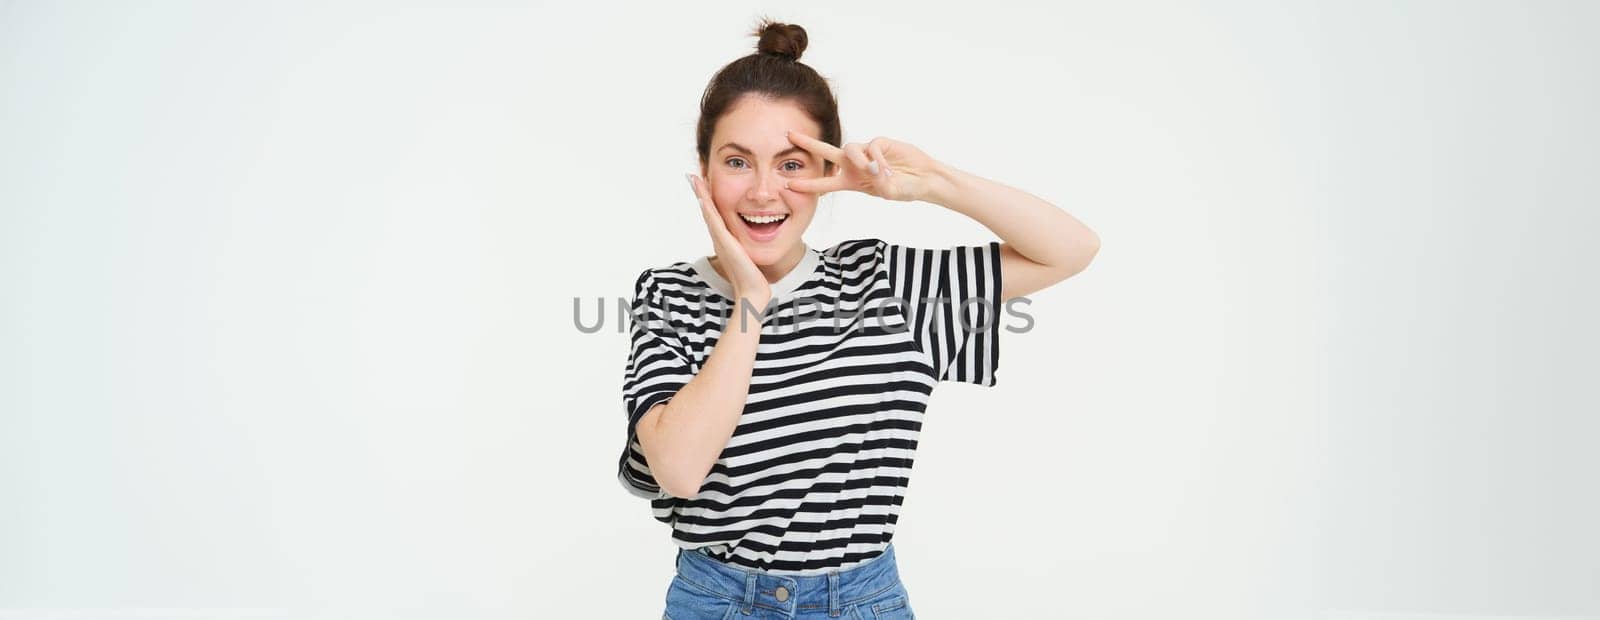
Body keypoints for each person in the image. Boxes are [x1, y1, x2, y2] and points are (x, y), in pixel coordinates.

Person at [618, 18, 1100, 619]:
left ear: (826, 172)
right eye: (738, 162)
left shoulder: (885, 283)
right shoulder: (670, 294)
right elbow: (681, 470)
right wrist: (748, 299)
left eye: (792, 165)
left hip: (861, 601)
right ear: (704, 168)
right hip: (716, 601)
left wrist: (932, 184)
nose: (764, 191)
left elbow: (1071, 249)